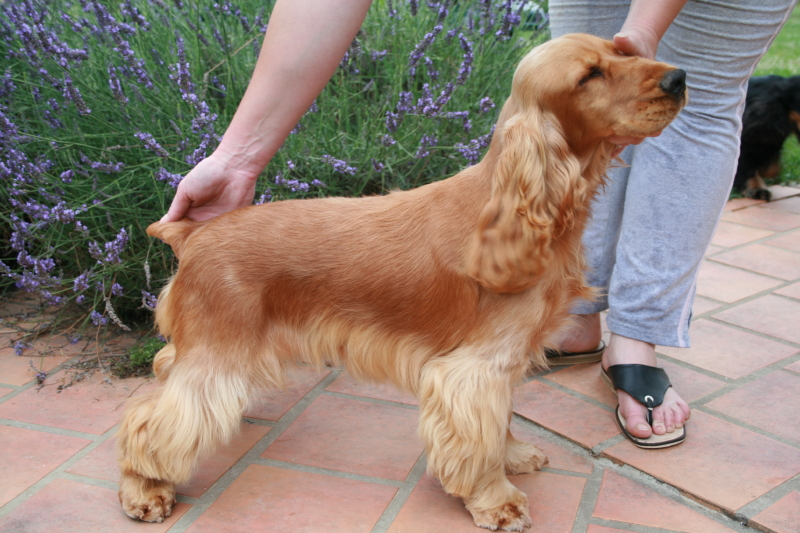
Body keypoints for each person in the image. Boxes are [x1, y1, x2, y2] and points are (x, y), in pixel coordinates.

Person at [161, 0, 797, 447]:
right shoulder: (517, 197)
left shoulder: (546, 201)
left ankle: (630, 339)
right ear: (542, 144)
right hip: (237, 268)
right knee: (215, 372)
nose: (640, 79)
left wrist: (639, 33)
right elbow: (466, 379)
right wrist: (237, 158)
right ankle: (151, 457)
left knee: (705, 103)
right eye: (592, 75)